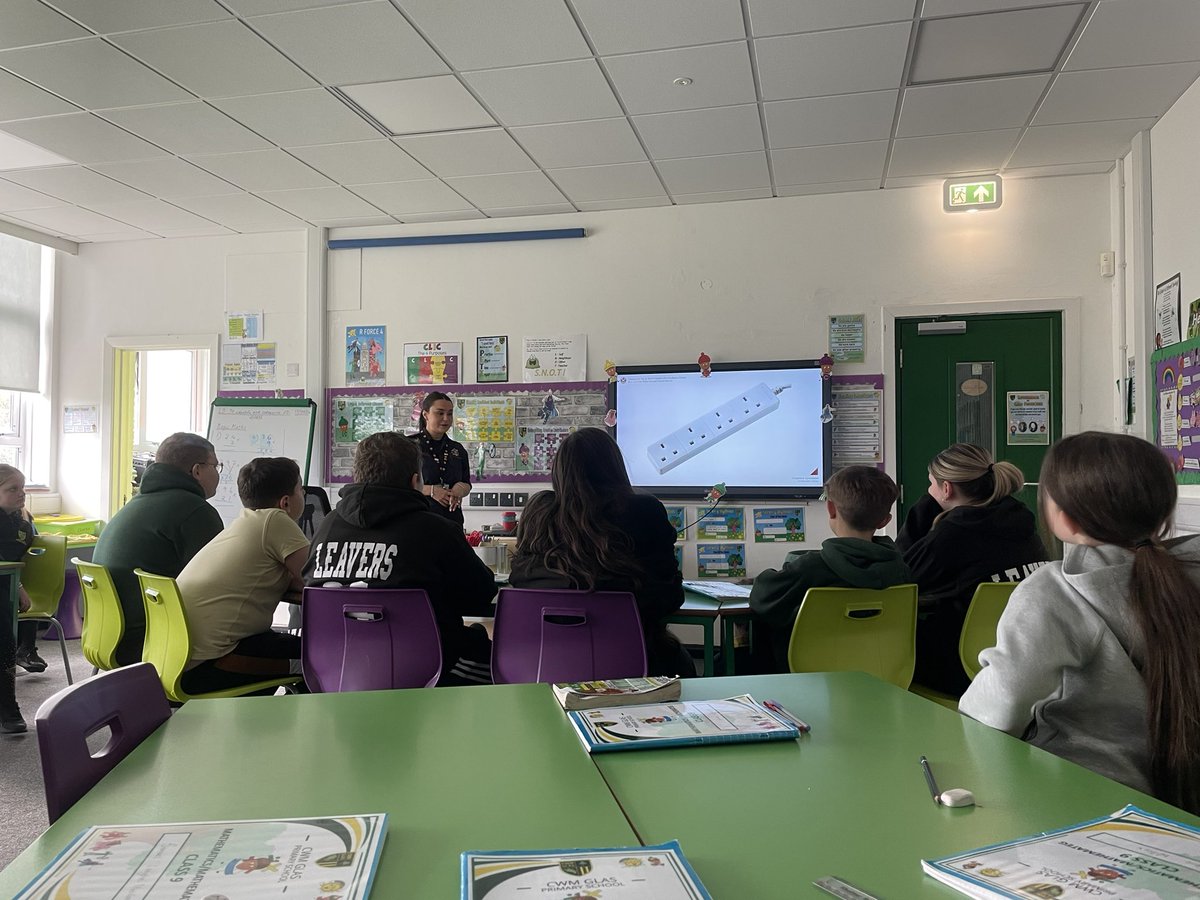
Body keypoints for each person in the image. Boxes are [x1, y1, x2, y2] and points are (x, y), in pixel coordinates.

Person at [960, 432, 1200, 813]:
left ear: (1064, 517)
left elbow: (997, 709)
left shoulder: (1055, 590)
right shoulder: (1187, 572)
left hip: (1085, 800)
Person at [303, 431, 496, 685]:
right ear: (415, 480)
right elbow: (480, 594)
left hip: (339, 670)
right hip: (430, 670)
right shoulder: (435, 529)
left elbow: (309, 584)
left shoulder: (327, 526)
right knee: (498, 657)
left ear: (358, 475)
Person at [509, 428, 689, 676]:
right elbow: (668, 595)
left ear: (559, 470)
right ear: (614, 466)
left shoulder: (538, 512)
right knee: (682, 662)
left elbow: (518, 579)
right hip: (633, 665)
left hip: (542, 666)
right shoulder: (644, 509)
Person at [897, 443, 1047, 695]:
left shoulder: (955, 533)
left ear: (946, 489)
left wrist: (925, 507)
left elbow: (901, 577)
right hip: (1024, 658)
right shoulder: (1023, 521)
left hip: (964, 667)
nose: (929, 490)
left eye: (931, 484)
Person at [750, 466, 912, 672]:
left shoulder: (810, 567)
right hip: (882, 675)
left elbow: (762, 597)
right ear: (884, 521)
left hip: (810, 678)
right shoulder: (901, 571)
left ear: (831, 509)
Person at [175, 457, 309, 695]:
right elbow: (316, 576)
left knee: (285, 645)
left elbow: (298, 577)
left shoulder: (245, 521)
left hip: (180, 660)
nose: (304, 494)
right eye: (300, 488)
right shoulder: (275, 519)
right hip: (213, 664)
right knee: (318, 656)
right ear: (286, 502)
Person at [93, 432, 224, 666]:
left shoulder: (136, 503)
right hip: (155, 642)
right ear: (197, 470)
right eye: (216, 465)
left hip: (110, 636)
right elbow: (218, 585)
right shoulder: (194, 511)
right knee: (268, 648)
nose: (218, 473)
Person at [0, 465, 35, 733]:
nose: (21, 494)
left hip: (7, 589)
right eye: (12, 489)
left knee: (4, 635)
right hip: (8, 588)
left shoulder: (21, 522)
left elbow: (16, 554)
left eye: (22, 488)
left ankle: (8, 709)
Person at [411, 392, 471, 526]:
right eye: (440, 413)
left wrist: (460, 489)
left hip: (452, 520)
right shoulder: (409, 446)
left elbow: (467, 483)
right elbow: (399, 486)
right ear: (425, 414)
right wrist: (432, 491)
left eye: (449, 414)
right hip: (419, 520)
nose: (446, 419)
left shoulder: (457, 449)